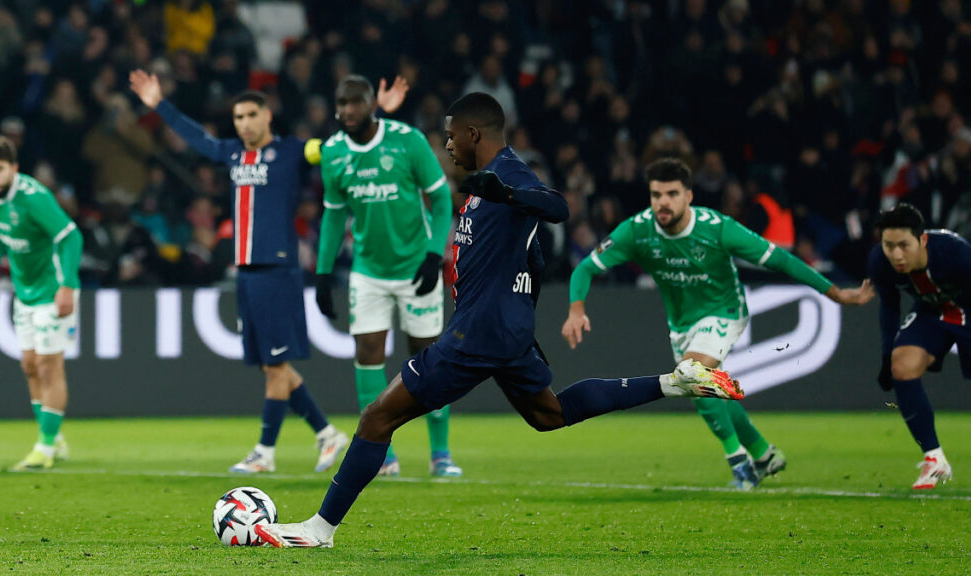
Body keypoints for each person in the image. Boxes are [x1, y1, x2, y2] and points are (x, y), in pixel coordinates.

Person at [254, 93, 744, 549]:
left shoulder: (510, 172)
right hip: (504, 329)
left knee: (377, 418)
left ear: (473, 134)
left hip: (478, 334)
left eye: (450, 136)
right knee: (549, 414)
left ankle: (320, 530)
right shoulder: (482, 182)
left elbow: (558, 206)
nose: (445, 144)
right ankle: (673, 383)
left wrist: (508, 194)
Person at [128, 70, 405, 474]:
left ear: (267, 116)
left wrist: (377, 113)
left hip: (277, 270)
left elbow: (338, 143)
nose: (243, 124)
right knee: (271, 365)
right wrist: (159, 104)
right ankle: (326, 433)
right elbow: (197, 140)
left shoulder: (293, 151)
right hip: (247, 273)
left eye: (250, 115)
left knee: (275, 367)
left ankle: (265, 452)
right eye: (237, 117)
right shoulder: (234, 154)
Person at [562, 158, 875, 489]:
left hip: (724, 311)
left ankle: (739, 462)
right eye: (656, 194)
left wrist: (835, 292)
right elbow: (586, 268)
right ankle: (763, 453)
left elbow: (781, 259)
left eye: (671, 194)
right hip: (682, 324)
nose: (662, 202)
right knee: (702, 384)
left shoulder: (717, 228)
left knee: (690, 374)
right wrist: (576, 308)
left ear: (689, 196)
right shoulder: (637, 230)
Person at [315, 75, 459, 477]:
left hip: (416, 266)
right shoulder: (333, 153)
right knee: (367, 355)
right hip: (368, 273)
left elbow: (442, 199)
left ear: (372, 104)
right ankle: (382, 455)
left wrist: (434, 256)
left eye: (354, 103)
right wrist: (323, 274)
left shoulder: (407, 140)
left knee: (428, 360)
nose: (346, 111)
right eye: (340, 104)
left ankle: (441, 453)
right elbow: (333, 215)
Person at [0, 135, 84, 470]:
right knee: (29, 365)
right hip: (24, 292)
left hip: (53, 290)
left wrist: (67, 285)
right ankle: (53, 435)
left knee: (50, 366)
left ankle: (46, 447)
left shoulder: (34, 198)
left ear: (14, 169)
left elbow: (71, 236)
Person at [869, 203, 971, 489]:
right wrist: (885, 355)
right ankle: (934, 458)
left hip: (968, 310)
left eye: (903, 245)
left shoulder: (956, 253)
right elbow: (889, 308)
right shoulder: (880, 261)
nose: (896, 254)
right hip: (932, 313)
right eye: (889, 245)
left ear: (922, 239)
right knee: (901, 365)